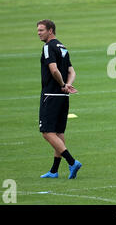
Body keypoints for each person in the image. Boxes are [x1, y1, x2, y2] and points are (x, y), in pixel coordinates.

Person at [36, 19, 82, 179]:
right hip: (63, 96)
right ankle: (54, 171)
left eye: (41, 30)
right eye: (38, 30)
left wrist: (62, 84)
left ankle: (72, 162)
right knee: (59, 133)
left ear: (50, 30)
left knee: (47, 133)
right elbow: (72, 71)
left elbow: (53, 69)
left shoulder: (48, 47)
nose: (38, 33)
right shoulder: (63, 47)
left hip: (51, 95)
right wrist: (68, 85)